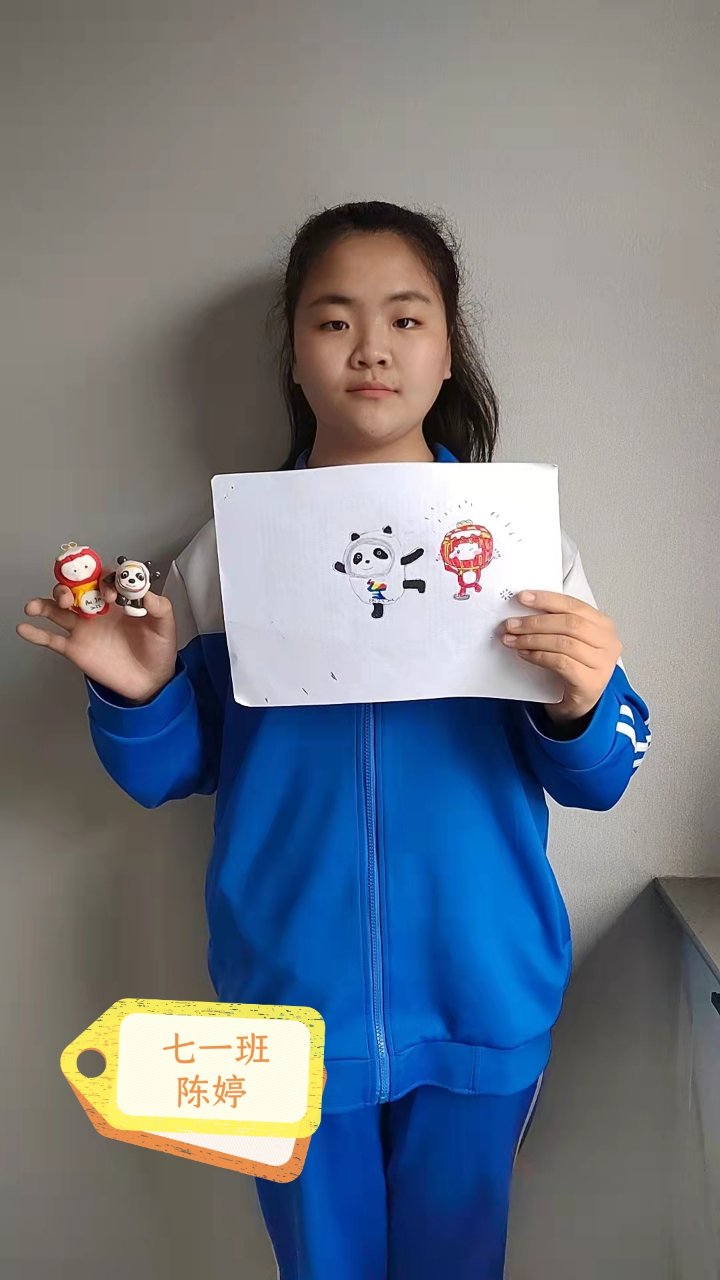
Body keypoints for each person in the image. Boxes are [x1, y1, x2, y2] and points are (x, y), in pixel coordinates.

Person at [17, 200, 652, 1279]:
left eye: (406, 319)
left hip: (482, 992)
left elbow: (602, 776)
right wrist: (143, 692)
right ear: (294, 355)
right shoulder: (225, 555)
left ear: (448, 350)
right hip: (286, 1003)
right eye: (332, 320)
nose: (371, 348)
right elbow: (170, 772)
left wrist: (585, 703)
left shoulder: (520, 545)